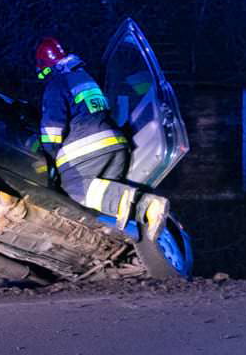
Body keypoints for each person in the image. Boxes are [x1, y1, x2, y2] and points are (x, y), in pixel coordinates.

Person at [36, 37, 168, 240]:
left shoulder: (57, 83)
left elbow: (53, 127)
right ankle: (139, 223)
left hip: (89, 149)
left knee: (75, 187)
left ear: (48, 68)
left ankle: (148, 204)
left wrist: (50, 155)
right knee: (103, 193)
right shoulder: (84, 78)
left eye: (44, 73)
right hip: (116, 147)